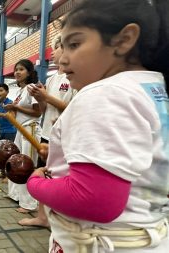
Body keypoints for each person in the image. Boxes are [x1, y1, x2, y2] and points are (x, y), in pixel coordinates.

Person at [27, 0, 169, 252]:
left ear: (124, 39)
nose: (62, 59)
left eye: (75, 44)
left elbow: (93, 200)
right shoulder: (153, 88)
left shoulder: (105, 93)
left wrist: (36, 184)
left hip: (102, 241)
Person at [19, 34, 76, 227]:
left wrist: (46, 97)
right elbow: (44, 110)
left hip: (64, 135)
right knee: (46, 172)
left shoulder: (73, 77)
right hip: (47, 131)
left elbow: (72, 109)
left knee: (60, 175)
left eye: (56, 49)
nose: (52, 54)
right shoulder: (52, 79)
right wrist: (41, 97)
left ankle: (61, 217)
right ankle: (43, 216)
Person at [4, 59, 41, 213]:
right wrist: (11, 110)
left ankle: (29, 203)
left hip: (30, 130)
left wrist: (15, 107)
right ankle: (15, 195)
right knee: (16, 164)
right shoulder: (20, 90)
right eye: (16, 69)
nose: (17, 72)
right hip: (21, 130)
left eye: (21, 69)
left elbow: (38, 112)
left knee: (26, 166)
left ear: (29, 72)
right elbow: (18, 111)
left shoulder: (32, 88)